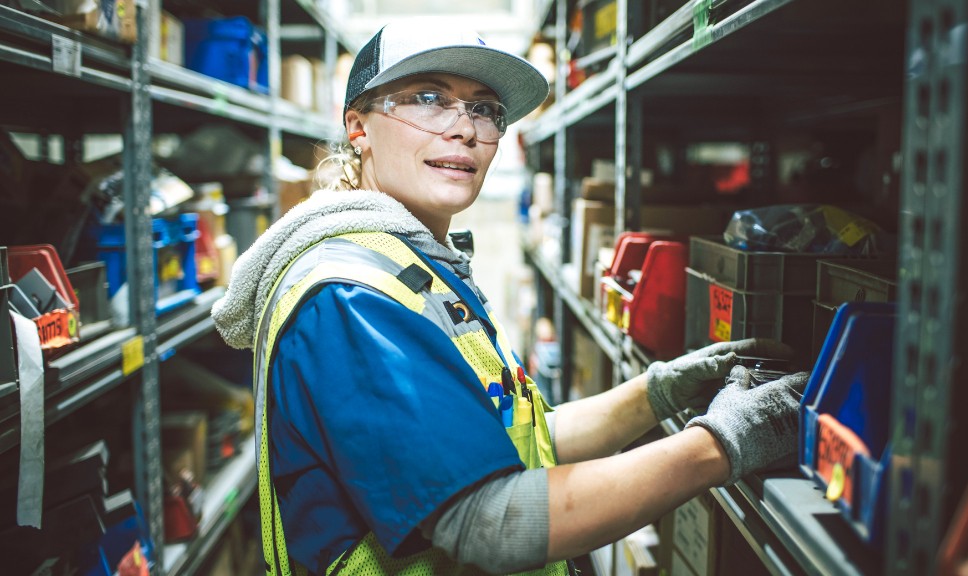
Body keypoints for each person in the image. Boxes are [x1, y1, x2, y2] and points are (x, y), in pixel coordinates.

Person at [212, 21, 810, 576]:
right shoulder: (352, 298)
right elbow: (491, 522)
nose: (464, 128)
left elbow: (516, 437)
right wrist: (720, 444)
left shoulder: (412, 260)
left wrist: (661, 390)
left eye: (484, 109)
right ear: (358, 125)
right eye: (428, 97)